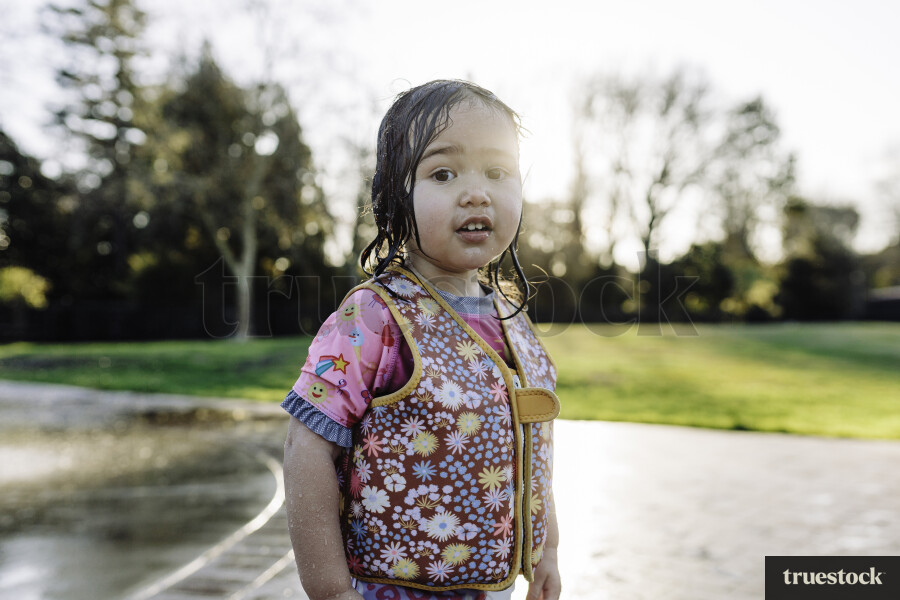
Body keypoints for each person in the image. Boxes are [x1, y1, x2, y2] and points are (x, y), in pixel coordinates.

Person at [282, 80, 561, 600]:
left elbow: (532, 448)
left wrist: (548, 550)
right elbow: (306, 447)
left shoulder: (512, 316)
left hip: (492, 587)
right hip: (393, 587)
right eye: (443, 173)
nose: (477, 191)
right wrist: (330, 591)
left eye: (498, 172)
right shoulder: (373, 316)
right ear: (395, 197)